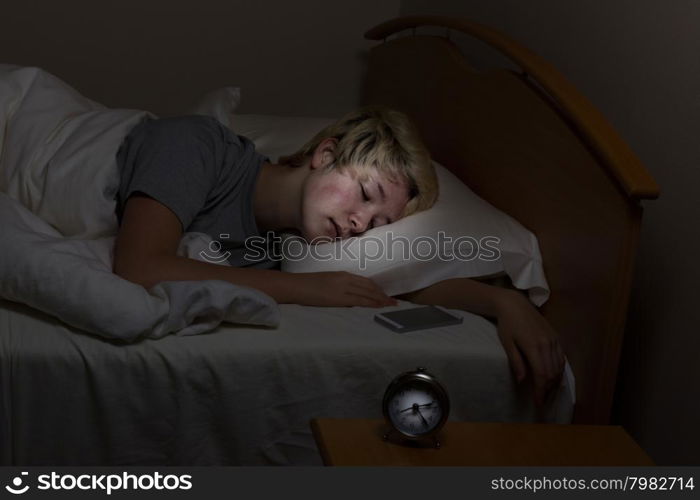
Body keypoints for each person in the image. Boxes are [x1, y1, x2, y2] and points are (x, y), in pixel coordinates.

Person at [112, 106, 565, 407]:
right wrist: (306, 290)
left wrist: (507, 303)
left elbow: (407, 281)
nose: (359, 224)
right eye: (365, 194)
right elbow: (140, 266)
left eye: (376, 225)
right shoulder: (198, 145)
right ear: (325, 153)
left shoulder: (288, 247)